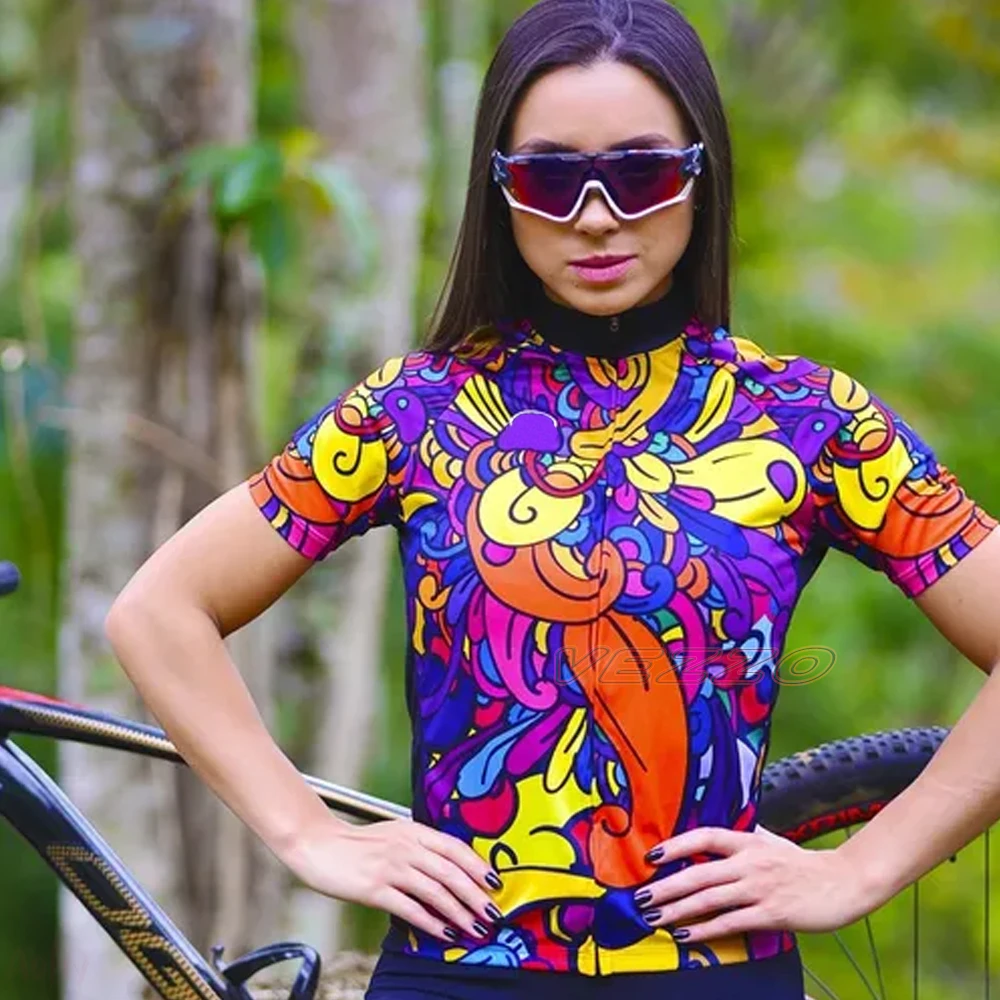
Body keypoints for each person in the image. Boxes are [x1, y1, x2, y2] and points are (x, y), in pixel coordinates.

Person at [105, 1, 1000, 998]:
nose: (596, 215)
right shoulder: (415, 411)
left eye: (641, 172)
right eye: (549, 178)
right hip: (455, 973)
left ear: (702, 175)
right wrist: (305, 834)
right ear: (498, 189)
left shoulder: (805, 419)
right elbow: (158, 611)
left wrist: (861, 870)